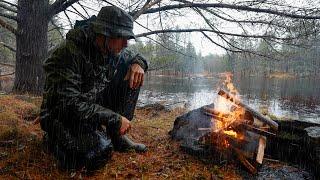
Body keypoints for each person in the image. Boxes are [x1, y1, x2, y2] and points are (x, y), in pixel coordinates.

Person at [40, 6, 148, 170]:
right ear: (105, 33)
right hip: (62, 114)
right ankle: (53, 140)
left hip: (88, 106)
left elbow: (134, 56)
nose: (126, 43)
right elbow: (70, 104)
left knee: (133, 70)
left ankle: (116, 135)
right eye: (121, 37)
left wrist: (139, 64)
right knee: (97, 154)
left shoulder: (111, 49)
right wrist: (114, 118)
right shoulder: (68, 53)